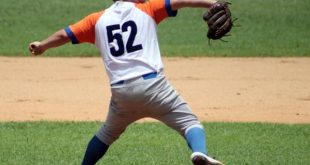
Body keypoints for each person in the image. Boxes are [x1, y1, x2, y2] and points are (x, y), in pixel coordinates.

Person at [29, 0, 224, 164]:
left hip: (122, 93)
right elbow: (183, 0)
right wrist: (213, 3)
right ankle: (200, 152)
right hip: (154, 87)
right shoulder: (147, 8)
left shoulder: (96, 20)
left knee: (106, 134)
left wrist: (42, 45)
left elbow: (64, 35)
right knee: (189, 123)